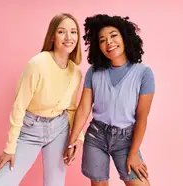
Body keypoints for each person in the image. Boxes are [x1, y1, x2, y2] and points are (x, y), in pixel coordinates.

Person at [0, 13, 85, 186]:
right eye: (62, 31)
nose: (69, 37)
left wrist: (77, 137)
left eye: (73, 32)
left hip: (59, 130)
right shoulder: (38, 63)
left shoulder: (76, 72)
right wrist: (10, 148)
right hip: (30, 129)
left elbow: (71, 108)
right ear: (53, 37)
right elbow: (19, 106)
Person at [65, 14, 155, 186]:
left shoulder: (144, 74)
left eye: (113, 36)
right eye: (102, 40)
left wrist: (134, 153)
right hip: (96, 136)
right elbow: (84, 108)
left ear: (124, 37)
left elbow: (142, 117)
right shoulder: (94, 72)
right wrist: (72, 140)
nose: (109, 42)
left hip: (126, 139)